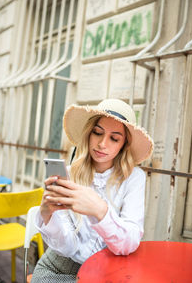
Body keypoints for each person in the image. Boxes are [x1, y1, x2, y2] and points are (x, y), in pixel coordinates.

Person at [31, 98, 154, 283]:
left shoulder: (133, 178)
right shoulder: (71, 173)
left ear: (123, 145)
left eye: (114, 138)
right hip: (57, 267)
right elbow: (67, 247)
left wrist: (100, 211)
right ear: (89, 133)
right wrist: (48, 214)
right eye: (97, 133)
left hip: (107, 271)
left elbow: (129, 243)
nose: (102, 144)